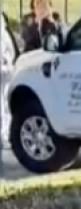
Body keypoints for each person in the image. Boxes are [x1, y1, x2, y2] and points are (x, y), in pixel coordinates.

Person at [1, 12, 17, 148]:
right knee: (3, 105)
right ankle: (3, 135)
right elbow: (10, 52)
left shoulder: (5, 34)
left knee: (5, 104)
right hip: (4, 71)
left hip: (5, 71)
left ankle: (5, 134)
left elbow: (11, 52)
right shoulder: (4, 35)